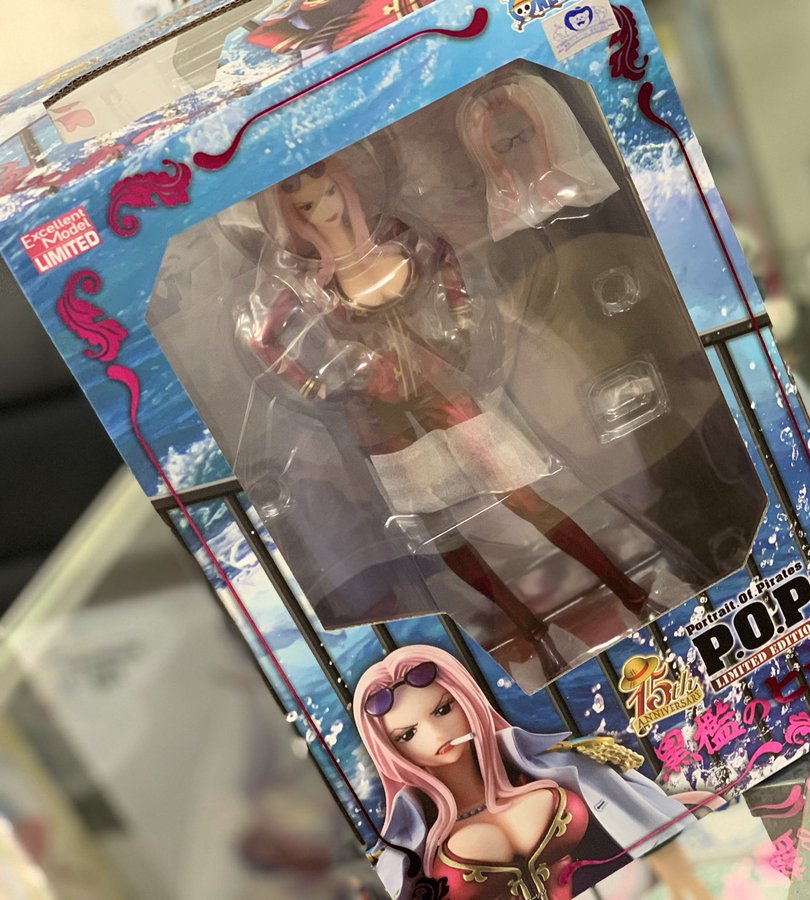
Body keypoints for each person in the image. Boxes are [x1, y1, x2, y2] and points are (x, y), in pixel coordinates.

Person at [238, 154, 650, 673]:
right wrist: (320, 384)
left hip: (438, 382)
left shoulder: (395, 234)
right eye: (307, 207)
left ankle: (627, 588)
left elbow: (446, 256)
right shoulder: (309, 279)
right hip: (377, 410)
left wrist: (461, 319)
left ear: (345, 187)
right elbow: (262, 338)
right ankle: (529, 628)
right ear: (294, 218)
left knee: (522, 493)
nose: (324, 209)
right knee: (441, 531)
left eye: (328, 194)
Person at [353, 645, 709, 899]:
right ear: (390, 749)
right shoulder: (402, 853)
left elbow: (644, 815)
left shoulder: (560, 764)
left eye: (444, 709)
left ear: (467, 701)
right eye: (407, 735)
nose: (435, 734)